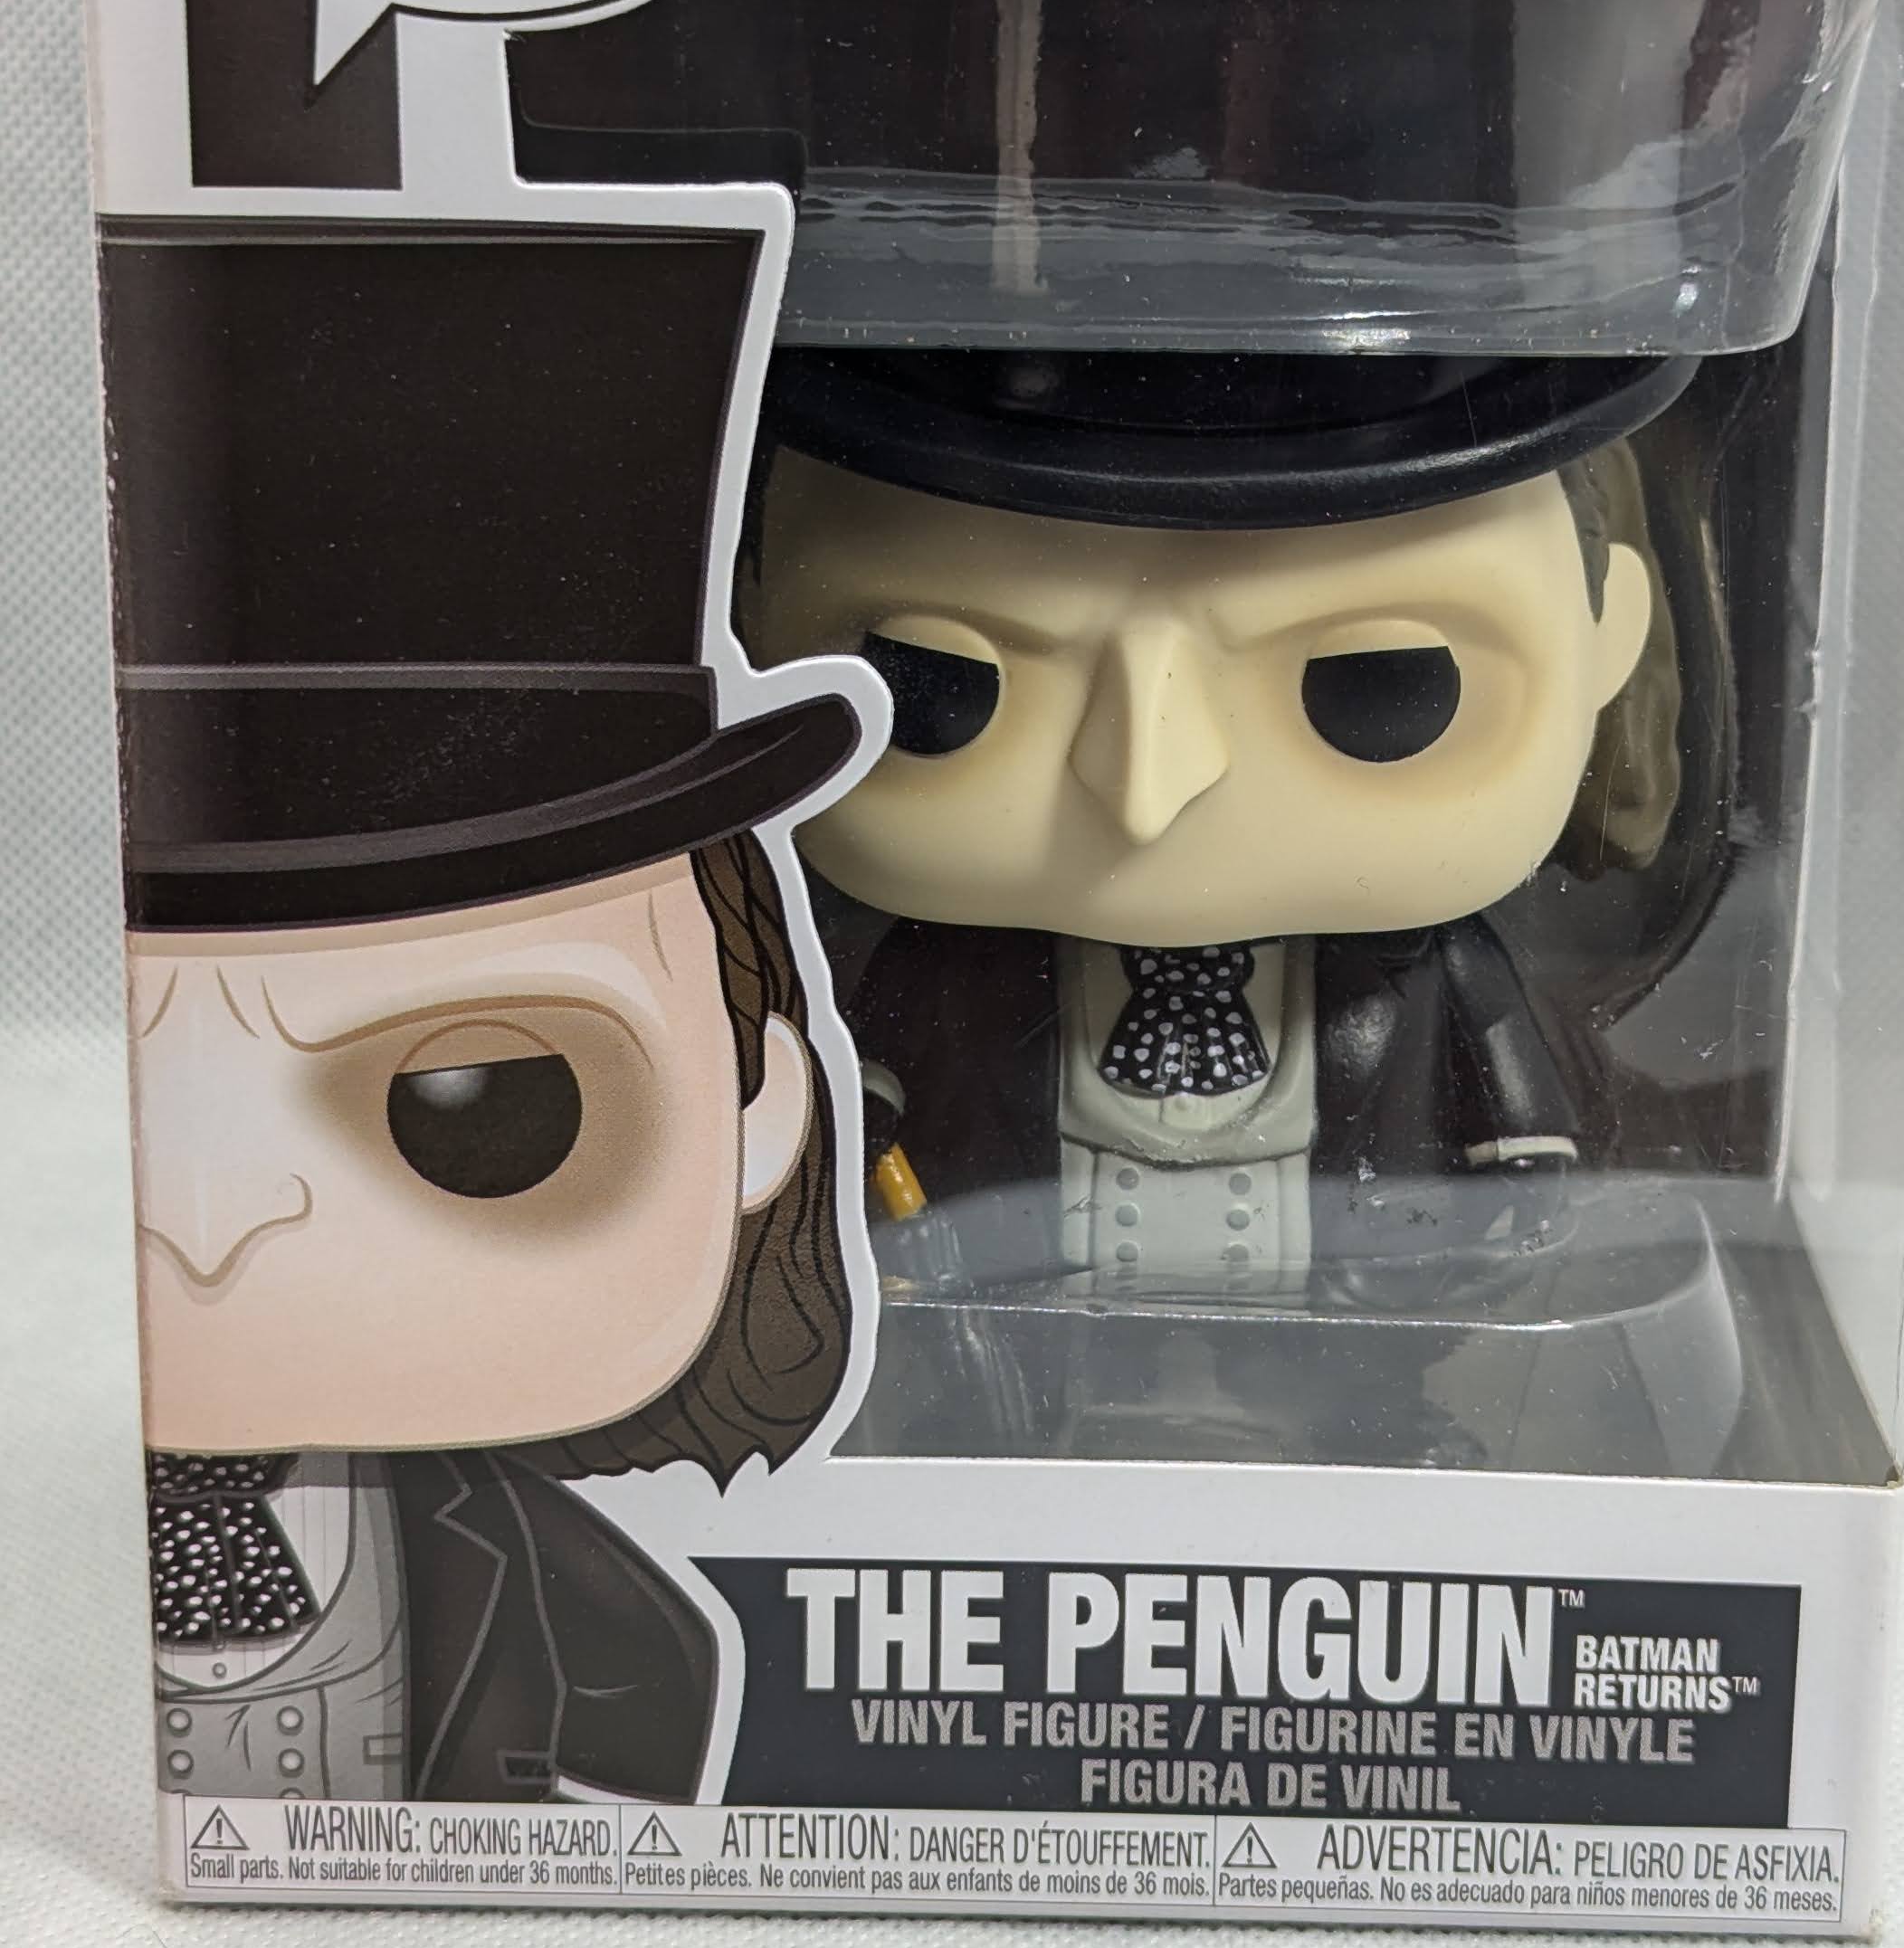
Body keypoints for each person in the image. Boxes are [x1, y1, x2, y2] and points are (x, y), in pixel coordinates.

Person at [108, 224, 870, 1805]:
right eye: (138, 1093)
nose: (215, 1220)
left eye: (485, 1103)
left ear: (763, 1103)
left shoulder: (619, 1637)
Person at [748, 341, 1687, 1297]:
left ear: (1607, 642)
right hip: (1031, 1301)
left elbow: (1511, 1102)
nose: (1148, 793)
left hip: (1344, 1321)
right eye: (944, 685)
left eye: (1377, 689)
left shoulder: (1427, 972)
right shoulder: (956, 975)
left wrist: (1516, 1187)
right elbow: (867, 1080)